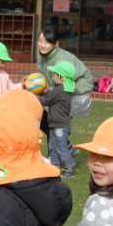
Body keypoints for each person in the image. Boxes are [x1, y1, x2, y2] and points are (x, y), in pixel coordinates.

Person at [37, 25, 93, 156]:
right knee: (42, 117)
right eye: (40, 41)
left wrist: (47, 92)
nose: (42, 45)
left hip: (78, 94)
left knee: (52, 121)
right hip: (62, 92)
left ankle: (55, 159)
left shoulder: (61, 59)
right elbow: (41, 79)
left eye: (47, 42)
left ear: (56, 43)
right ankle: (66, 147)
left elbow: (63, 85)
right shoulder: (43, 58)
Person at [38, 61, 77, 179]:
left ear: (61, 77)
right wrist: (46, 95)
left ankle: (69, 168)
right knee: (52, 146)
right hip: (56, 124)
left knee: (61, 147)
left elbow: (46, 101)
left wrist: (36, 97)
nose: (53, 77)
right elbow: (52, 99)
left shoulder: (59, 90)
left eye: (55, 75)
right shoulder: (66, 90)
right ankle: (55, 165)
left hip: (59, 126)